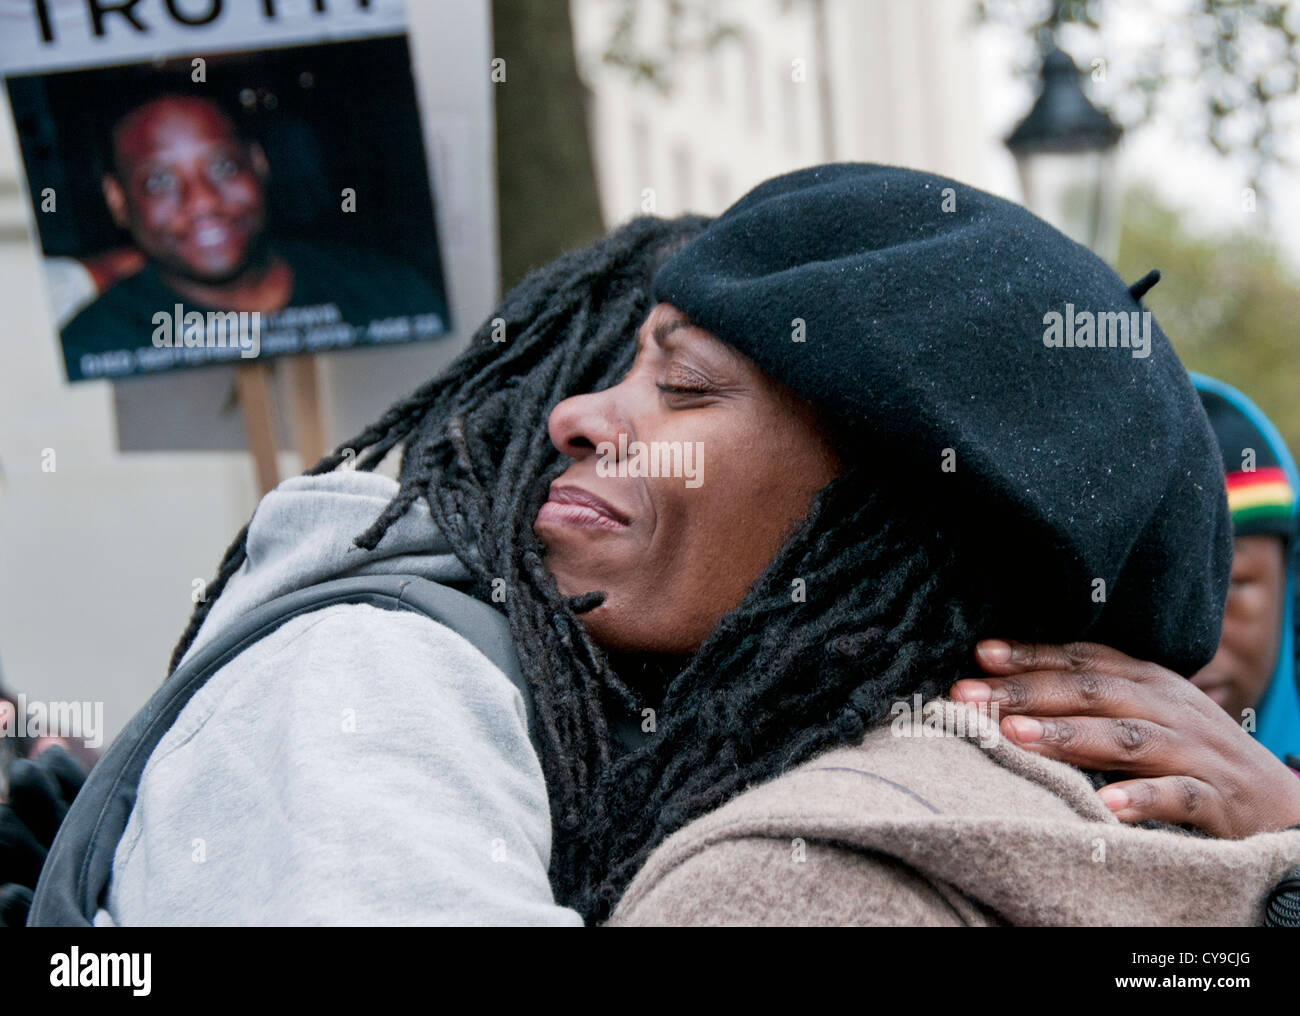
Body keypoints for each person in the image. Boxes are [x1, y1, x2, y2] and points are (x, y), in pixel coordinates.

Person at [24, 164, 1300, 927]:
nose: (575, 414)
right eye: (623, 366)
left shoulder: (781, 857)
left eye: (680, 386)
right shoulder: (369, 682)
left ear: (881, 516)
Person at [59, 90, 448, 381]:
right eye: (159, 181)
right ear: (118, 201)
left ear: (258, 165)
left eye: (224, 166)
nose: (203, 202)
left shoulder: (390, 293)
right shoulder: (93, 346)